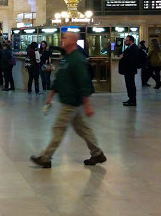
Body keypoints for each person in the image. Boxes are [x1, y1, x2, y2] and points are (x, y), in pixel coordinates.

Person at [30, 32, 106, 168]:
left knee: (58, 128)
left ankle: (45, 157)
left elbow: (83, 82)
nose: (61, 40)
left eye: (64, 38)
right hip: (68, 100)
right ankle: (97, 153)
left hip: (72, 101)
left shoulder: (78, 59)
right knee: (82, 129)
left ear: (73, 40)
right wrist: (50, 95)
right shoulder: (67, 57)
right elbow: (60, 78)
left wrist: (87, 104)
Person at [119, 35, 139, 107]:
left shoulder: (134, 48)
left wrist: (123, 57)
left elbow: (132, 59)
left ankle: (132, 100)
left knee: (131, 84)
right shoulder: (129, 48)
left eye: (126, 40)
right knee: (129, 84)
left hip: (130, 70)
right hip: (128, 70)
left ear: (131, 41)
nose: (125, 42)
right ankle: (130, 98)